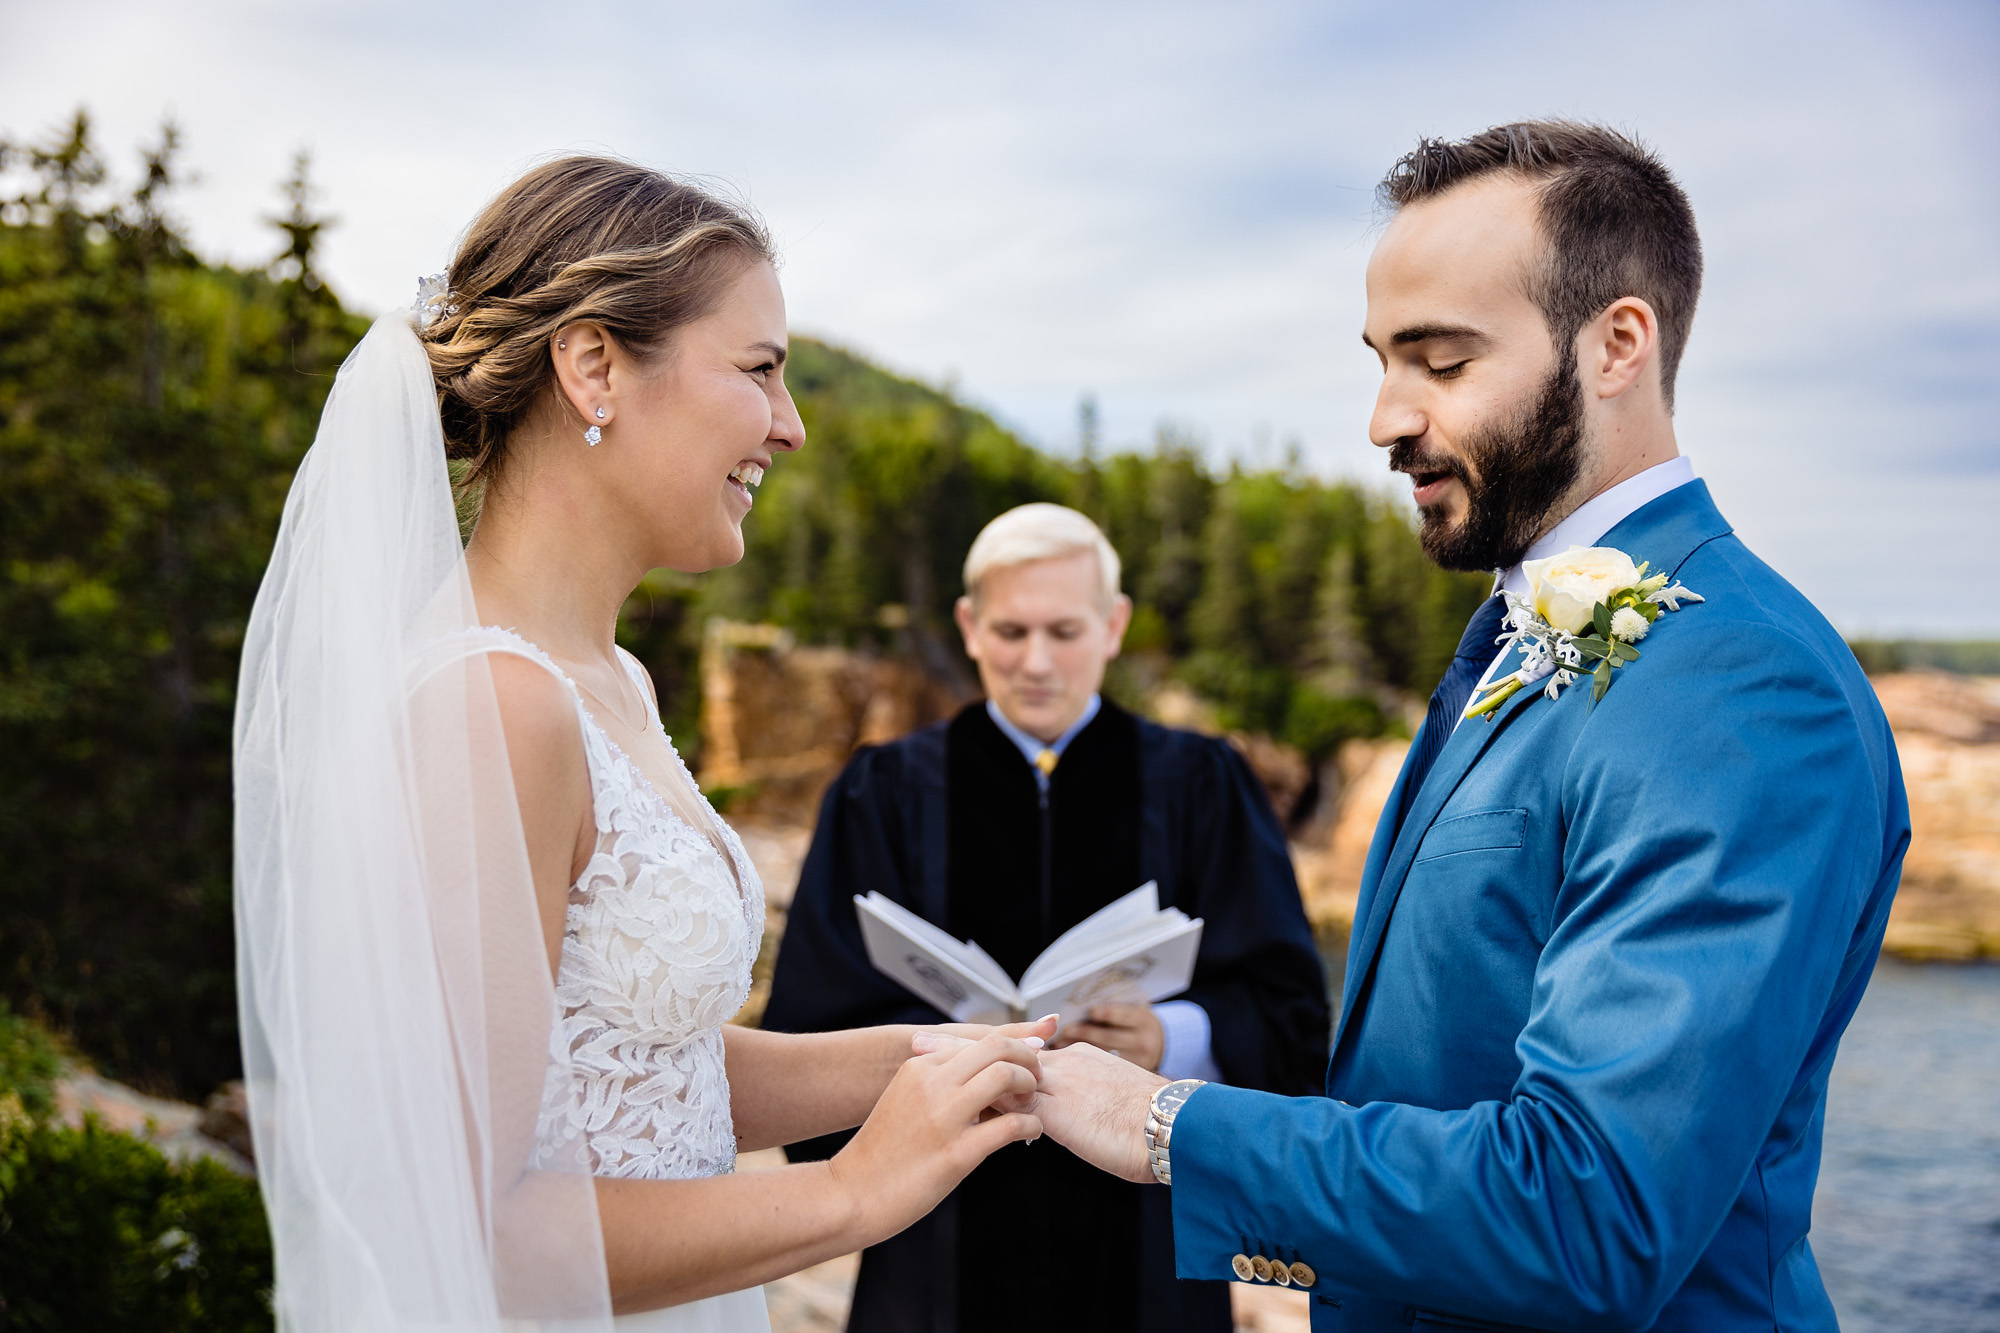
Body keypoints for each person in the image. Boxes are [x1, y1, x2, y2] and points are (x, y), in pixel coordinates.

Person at [1025, 122, 1909, 1331]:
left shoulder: (1741, 689)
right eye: (1382, 360)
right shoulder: (1518, 623)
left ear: (1615, 345)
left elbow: (1588, 1216)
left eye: (1439, 363)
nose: (1384, 417)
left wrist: (1168, 1127)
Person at [233, 156, 1052, 1333]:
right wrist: (854, 1190)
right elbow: (477, 1225)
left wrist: (948, 1059)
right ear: (593, 364)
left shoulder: (609, 679)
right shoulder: (492, 706)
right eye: (759, 370)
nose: (792, 424)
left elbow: (640, 1062)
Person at [764, 503, 1331, 1333]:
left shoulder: (1203, 785)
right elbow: (809, 1027)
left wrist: (1170, 1040)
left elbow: (1291, 1018)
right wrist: (943, 1054)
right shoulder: (881, 792)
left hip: (1146, 1261)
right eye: (1011, 630)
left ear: (1114, 625)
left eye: (1064, 631)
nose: (1035, 662)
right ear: (968, 625)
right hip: (938, 1257)